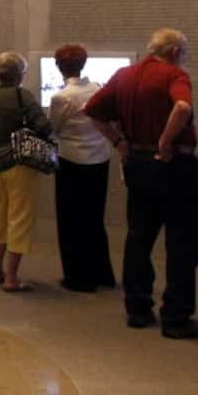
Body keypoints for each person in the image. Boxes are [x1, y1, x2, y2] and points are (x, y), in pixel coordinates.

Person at [84, 28, 198, 339]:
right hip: (175, 166)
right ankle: (176, 317)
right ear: (176, 52)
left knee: (139, 238)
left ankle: (138, 309)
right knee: (182, 242)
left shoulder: (125, 75)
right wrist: (166, 142)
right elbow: (182, 107)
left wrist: (119, 142)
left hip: (137, 165)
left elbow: (93, 111)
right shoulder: (174, 75)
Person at [0, 51, 51, 292]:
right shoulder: (22, 96)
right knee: (20, 220)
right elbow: (43, 127)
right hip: (18, 167)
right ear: (20, 75)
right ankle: (12, 277)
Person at [47, 43, 116, 293]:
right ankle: (102, 272)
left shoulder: (61, 97)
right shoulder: (97, 88)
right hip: (100, 158)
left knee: (71, 220)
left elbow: (54, 127)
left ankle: (78, 278)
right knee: (94, 218)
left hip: (72, 160)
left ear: (59, 67)